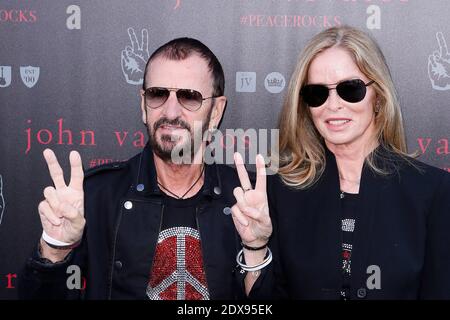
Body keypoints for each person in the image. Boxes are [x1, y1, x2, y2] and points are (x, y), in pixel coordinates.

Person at [19, 37, 262, 300]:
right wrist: (55, 249)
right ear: (143, 105)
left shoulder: (250, 201)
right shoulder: (95, 197)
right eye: (158, 94)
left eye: (189, 97)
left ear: (216, 112)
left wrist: (256, 248)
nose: (170, 111)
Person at [232, 25, 450, 299]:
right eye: (317, 93)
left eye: (350, 89)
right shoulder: (280, 191)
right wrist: (256, 247)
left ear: (379, 96)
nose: (333, 105)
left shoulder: (432, 191)